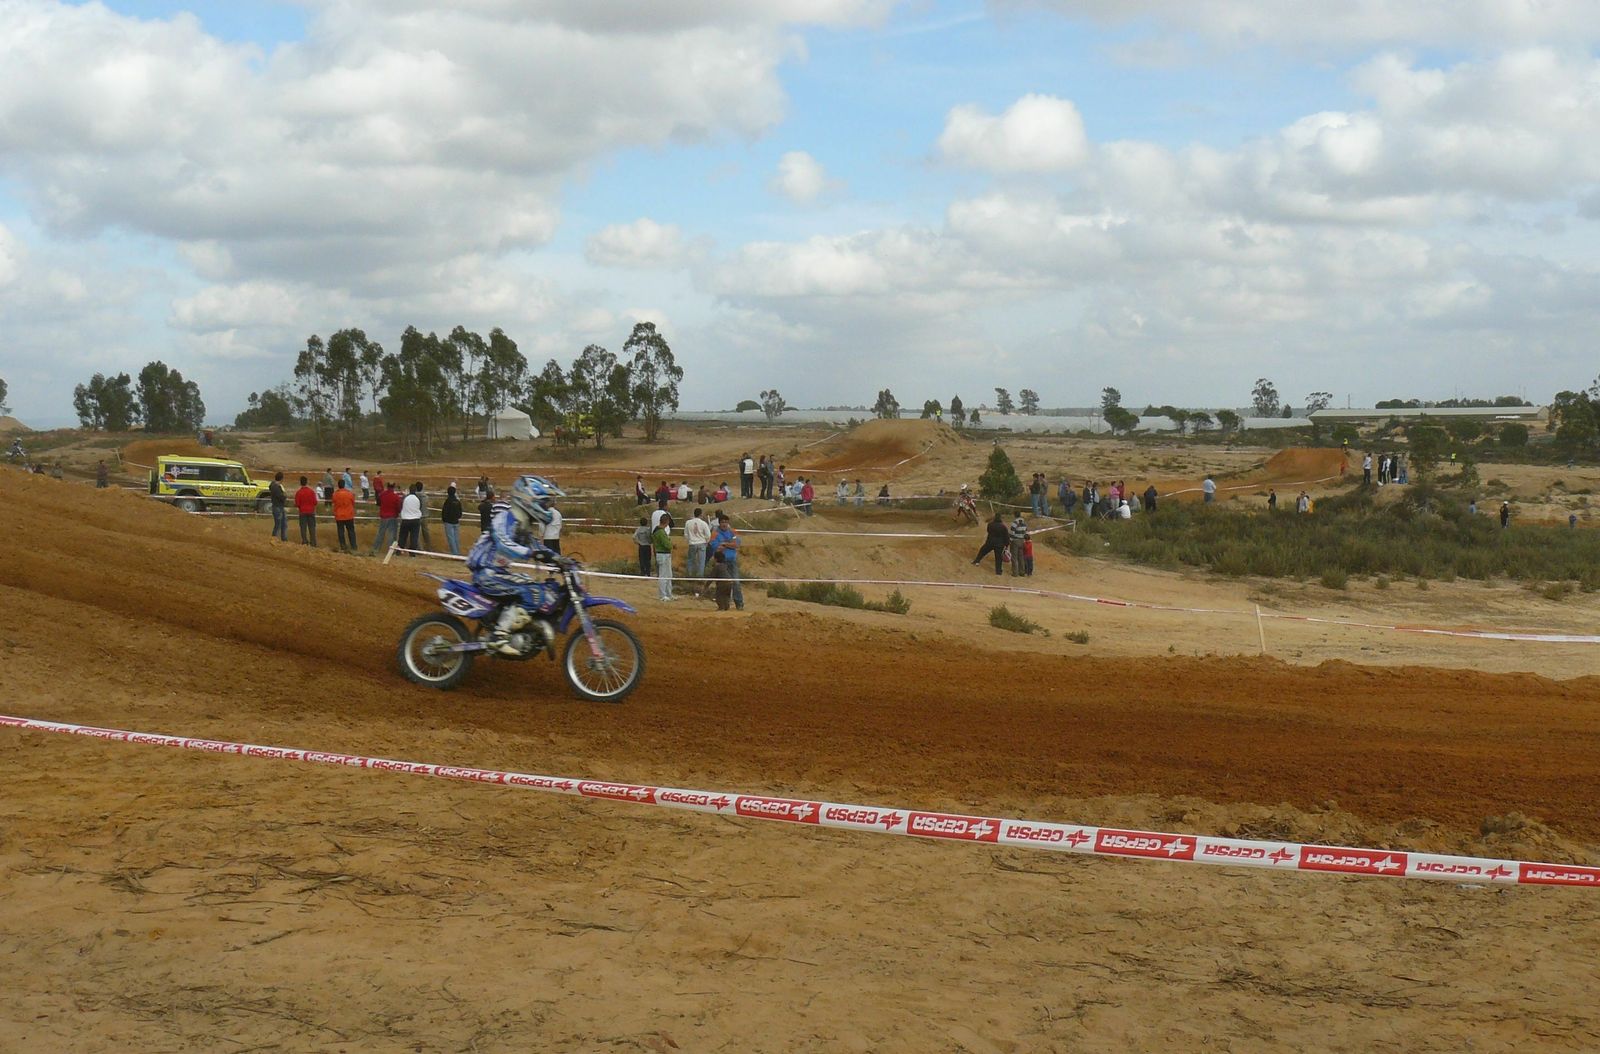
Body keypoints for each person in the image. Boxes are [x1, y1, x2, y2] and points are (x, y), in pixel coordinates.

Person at [466, 475, 568, 655]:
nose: (547, 508)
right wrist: (532, 553)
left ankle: (521, 627)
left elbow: (536, 545)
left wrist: (559, 559)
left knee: (537, 585)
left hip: (497, 572)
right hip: (486, 572)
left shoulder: (523, 524)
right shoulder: (505, 518)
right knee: (531, 591)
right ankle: (500, 635)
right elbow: (504, 543)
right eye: (544, 503)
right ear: (528, 499)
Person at [710, 513, 745, 610]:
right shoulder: (715, 533)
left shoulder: (733, 532)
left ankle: (739, 604)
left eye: (726, 522)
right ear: (719, 523)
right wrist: (729, 544)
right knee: (722, 585)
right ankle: (724, 605)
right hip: (721, 563)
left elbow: (736, 544)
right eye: (722, 522)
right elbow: (715, 547)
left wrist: (724, 544)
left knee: (736, 583)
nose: (724, 524)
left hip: (732, 561)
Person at [685, 507, 711, 593]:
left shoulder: (688, 522)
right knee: (701, 561)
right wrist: (706, 541)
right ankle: (700, 577)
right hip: (701, 543)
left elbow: (686, 534)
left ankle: (689, 575)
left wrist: (689, 540)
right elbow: (708, 534)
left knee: (690, 560)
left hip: (692, 543)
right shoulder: (703, 523)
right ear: (701, 514)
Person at [370, 482, 402, 555]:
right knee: (392, 534)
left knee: (380, 533)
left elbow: (378, 502)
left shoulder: (382, 495)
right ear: (393, 487)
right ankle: (391, 551)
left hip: (383, 516)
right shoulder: (396, 496)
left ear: (387, 487)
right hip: (393, 517)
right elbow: (398, 507)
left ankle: (375, 549)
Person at [653, 513, 676, 601]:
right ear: (667, 522)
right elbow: (667, 544)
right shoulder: (660, 532)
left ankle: (668, 594)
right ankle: (663, 595)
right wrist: (672, 545)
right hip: (662, 554)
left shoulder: (658, 531)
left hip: (664, 554)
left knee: (668, 575)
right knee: (663, 576)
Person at [398, 483, 425, 554]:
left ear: (409, 490)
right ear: (415, 490)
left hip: (406, 519)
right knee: (414, 537)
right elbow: (420, 507)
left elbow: (401, 505)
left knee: (403, 536)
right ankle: (412, 552)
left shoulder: (405, 498)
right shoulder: (418, 498)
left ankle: (399, 550)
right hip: (415, 519)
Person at [332, 480, 357, 552]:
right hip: (349, 515)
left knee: (340, 532)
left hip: (339, 516)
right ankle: (354, 546)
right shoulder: (349, 494)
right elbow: (353, 503)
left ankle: (343, 546)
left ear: (338, 485)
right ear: (344, 485)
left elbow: (333, 501)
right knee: (351, 531)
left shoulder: (335, 494)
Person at [294, 475, 318, 546]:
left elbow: (297, 504)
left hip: (302, 512)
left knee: (303, 528)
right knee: (312, 527)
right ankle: (313, 543)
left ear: (300, 483)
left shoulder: (298, 493)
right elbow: (315, 502)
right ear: (307, 482)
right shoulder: (311, 492)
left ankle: (304, 542)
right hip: (311, 511)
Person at [441, 485, 464, 556]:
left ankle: (455, 553)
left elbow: (444, 511)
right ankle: (457, 552)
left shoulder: (447, 501)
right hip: (456, 521)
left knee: (451, 538)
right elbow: (460, 512)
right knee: (456, 537)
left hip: (448, 522)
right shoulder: (457, 501)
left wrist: (444, 519)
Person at [268, 471, 289, 541]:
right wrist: (284, 496)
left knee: (283, 524)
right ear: (281, 479)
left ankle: (283, 539)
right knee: (279, 525)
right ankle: (274, 538)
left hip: (278, 506)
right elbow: (281, 497)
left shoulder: (274, 486)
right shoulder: (276, 487)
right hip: (278, 507)